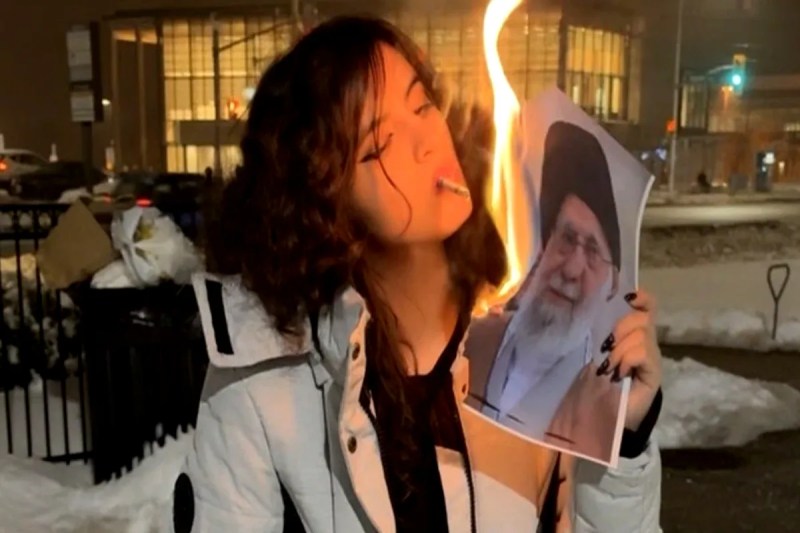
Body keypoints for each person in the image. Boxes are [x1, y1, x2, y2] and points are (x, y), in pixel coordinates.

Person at [169, 16, 663, 533]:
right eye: (380, 144)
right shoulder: (261, 384)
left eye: (422, 105)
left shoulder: (531, 340)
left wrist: (624, 438)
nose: (427, 141)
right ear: (325, 202)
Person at [468, 121, 648, 461]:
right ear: (542, 246)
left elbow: (611, 495)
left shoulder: (604, 403)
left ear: (612, 284)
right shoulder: (471, 341)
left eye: (593, 252)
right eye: (566, 238)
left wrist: (630, 439)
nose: (571, 269)